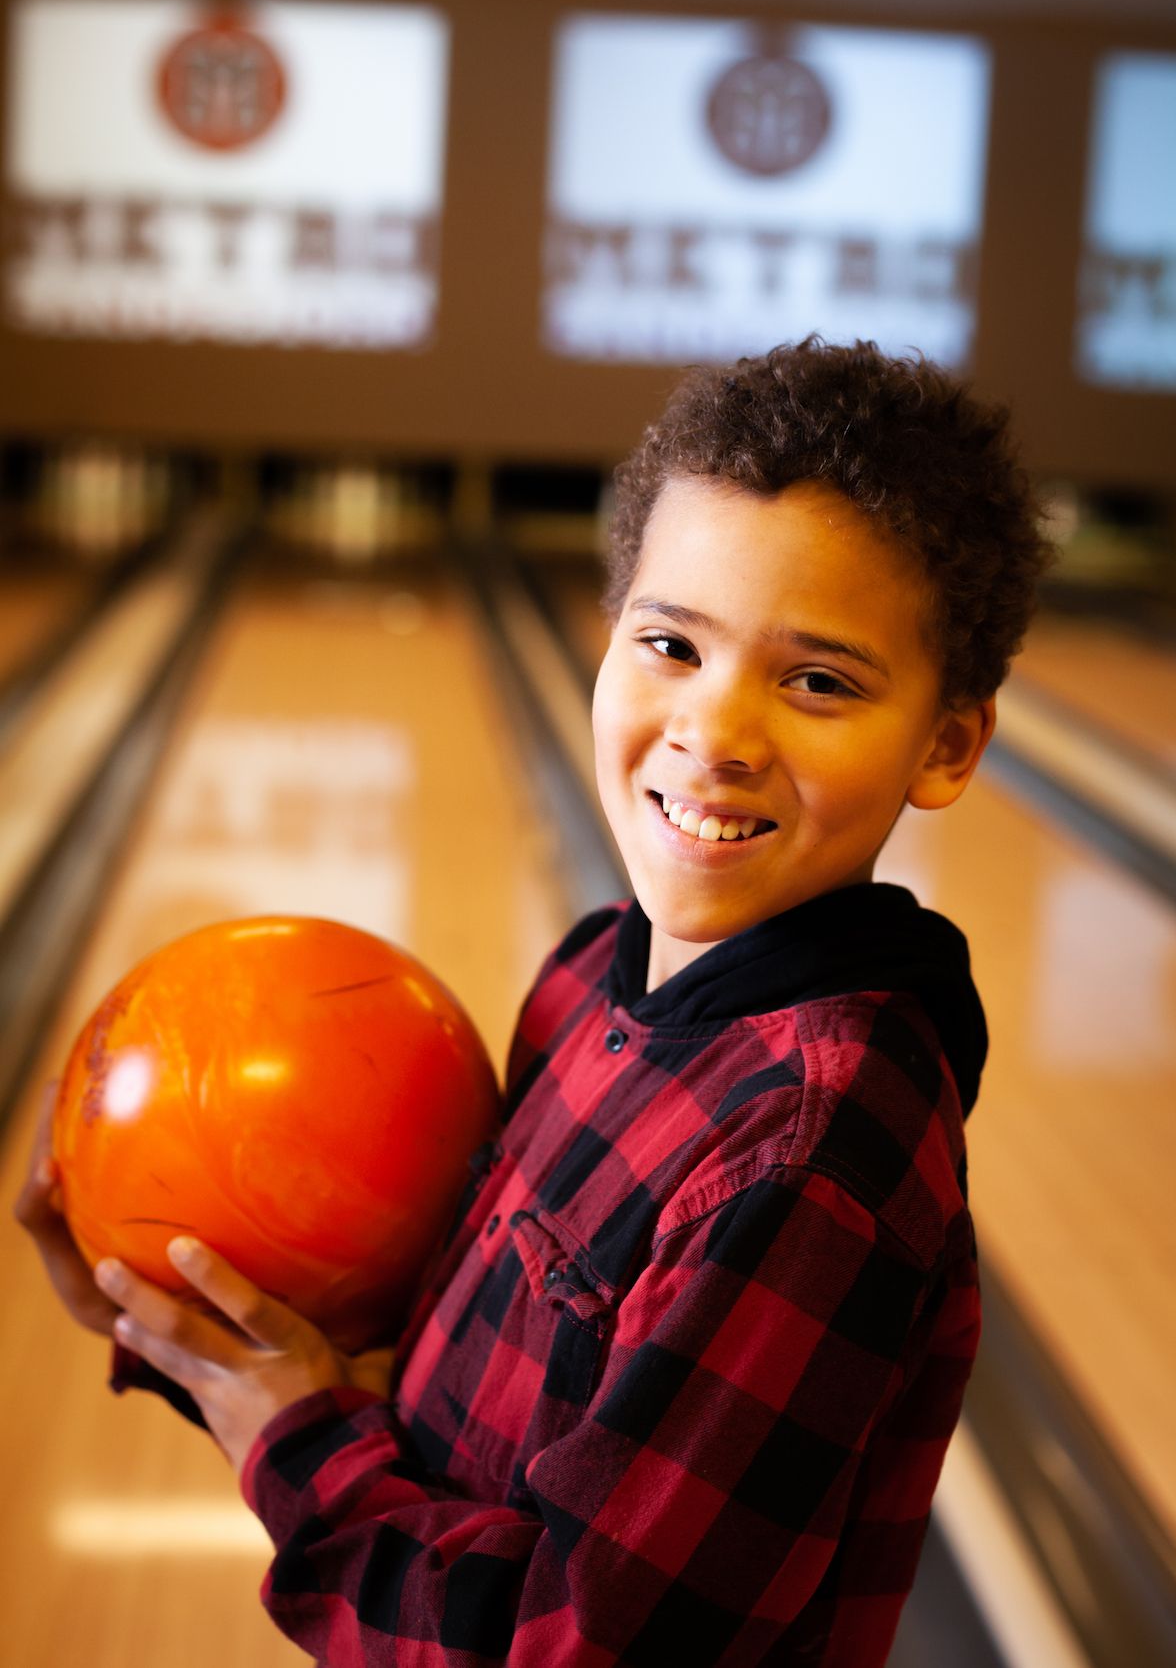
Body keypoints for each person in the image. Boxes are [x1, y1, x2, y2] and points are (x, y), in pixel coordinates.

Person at [17, 337, 1055, 1665]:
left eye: (818, 682)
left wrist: (291, 1432)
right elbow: (454, 1420)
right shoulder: (589, 972)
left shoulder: (811, 1155)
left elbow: (573, 1647)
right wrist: (191, 1332)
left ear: (947, 744)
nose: (714, 732)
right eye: (671, 643)